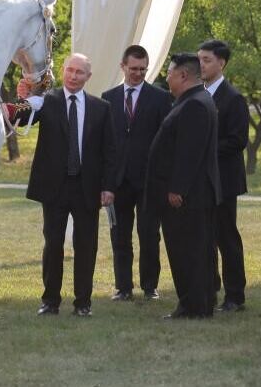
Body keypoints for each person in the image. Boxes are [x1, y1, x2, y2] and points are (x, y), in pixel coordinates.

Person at [15, 53, 116, 317]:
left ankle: (83, 303)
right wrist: (23, 97)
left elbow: (110, 151)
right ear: (63, 71)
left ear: (88, 77)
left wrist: (108, 186)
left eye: (79, 72)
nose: (73, 76)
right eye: (70, 70)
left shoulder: (101, 108)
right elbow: (21, 119)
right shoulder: (46, 101)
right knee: (53, 244)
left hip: (87, 188)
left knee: (86, 246)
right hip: (54, 188)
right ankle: (50, 301)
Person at [146, 53, 221, 319]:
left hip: (188, 196)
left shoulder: (195, 105)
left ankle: (194, 305)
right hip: (192, 193)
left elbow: (189, 153)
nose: (166, 77)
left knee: (188, 251)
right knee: (194, 249)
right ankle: (197, 302)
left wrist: (177, 188)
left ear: (183, 75)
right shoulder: (194, 100)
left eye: (169, 73)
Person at [102, 45, 171, 301]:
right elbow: (105, 144)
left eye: (143, 69)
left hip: (149, 181)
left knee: (150, 235)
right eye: (133, 69)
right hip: (118, 182)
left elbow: (165, 143)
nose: (138, 74)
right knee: (119, 236)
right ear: (123, 66)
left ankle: (150, 286)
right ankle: (123, 287)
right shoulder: (108, 98)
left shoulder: (161, 98)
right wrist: (106, 184)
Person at [198, 40, 249, 312]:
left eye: (206, 60)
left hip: (224, 180)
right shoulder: (198, 94)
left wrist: (204, 149)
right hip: (202, 181)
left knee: (226, 237)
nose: (201, 65)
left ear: (221, 63)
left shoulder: (233, 98)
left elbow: (238, 140)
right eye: (199, 60)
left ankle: (235, 294)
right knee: (204, 236)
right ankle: (209, 287)